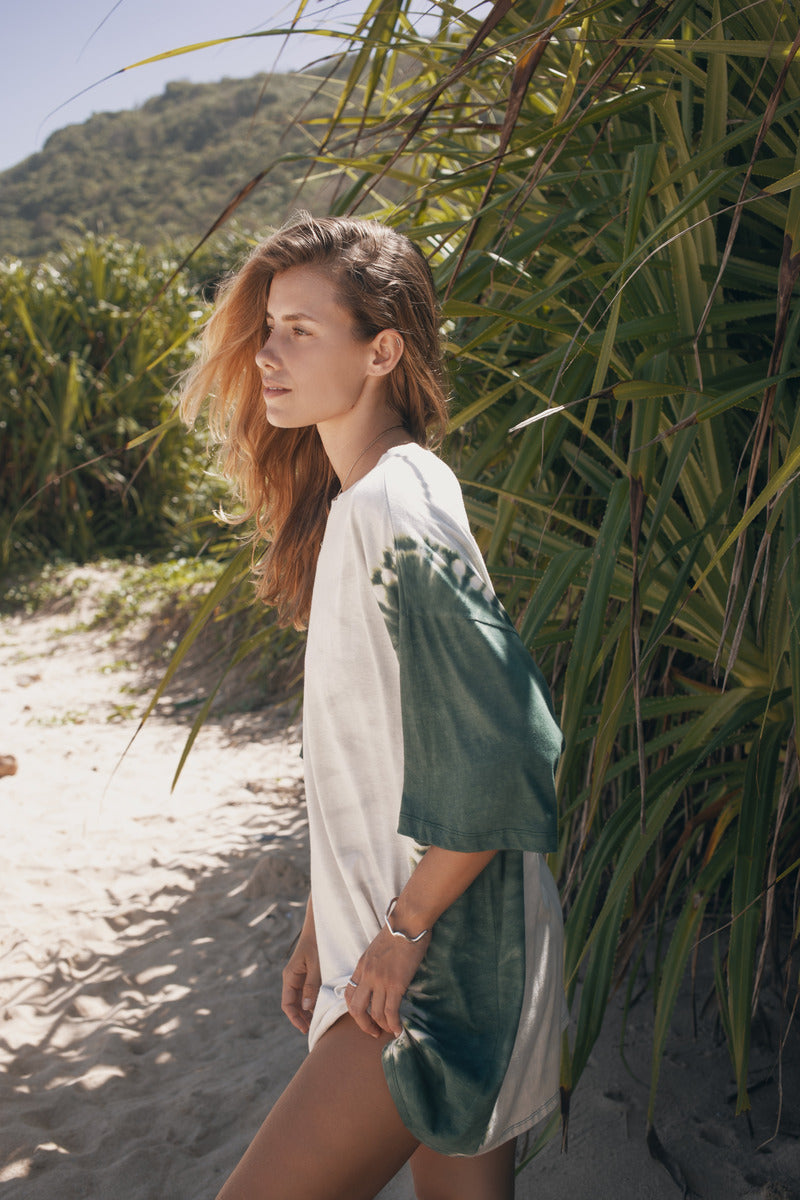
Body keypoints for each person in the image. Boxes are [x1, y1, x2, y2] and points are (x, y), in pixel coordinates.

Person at [180, 214, 566, 1200]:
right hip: (449, 939)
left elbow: (511, 741)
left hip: (442, 961)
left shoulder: (393, 503)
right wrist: (324, 915)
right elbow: (384, 751)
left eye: (301, 330)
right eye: (267, 327)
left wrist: (398, 932)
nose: (266, 353)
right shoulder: (371, 501)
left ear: (381, 349)